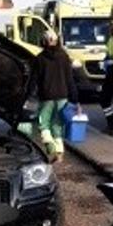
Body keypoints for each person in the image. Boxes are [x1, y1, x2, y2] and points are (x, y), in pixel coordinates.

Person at [34, 29, 79, 162]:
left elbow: (34, 80)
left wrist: (26, 96)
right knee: (57, 125)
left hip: (46, 96)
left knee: (43, 124)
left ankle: (50, 147)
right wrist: (75, 99)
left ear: (43, 41)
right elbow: (70, 79)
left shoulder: (40, 59)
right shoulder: (64, 57)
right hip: (62, 97)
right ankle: (59, 152)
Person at [99, 20, 113, 133]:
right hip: (110, 73)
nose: (112, 27)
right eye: (111, 25)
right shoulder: (110, 39)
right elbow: (109, 54)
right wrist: (105, 60)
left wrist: (111, 60)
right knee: (104, 99)